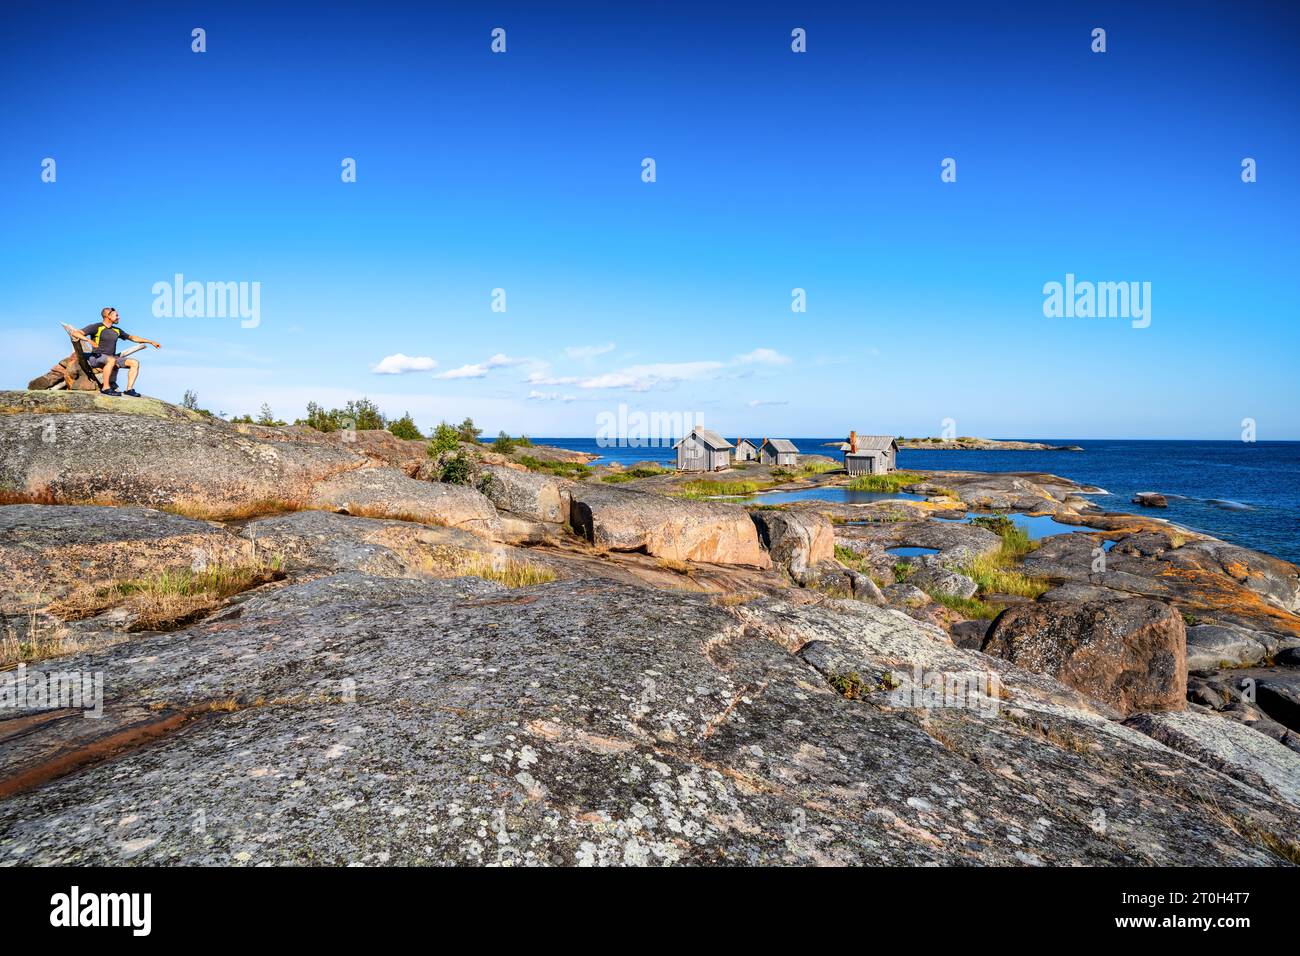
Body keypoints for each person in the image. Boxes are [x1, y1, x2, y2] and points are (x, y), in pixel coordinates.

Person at [69, 307, 161, 397]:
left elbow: (132, 338)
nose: (119, 317)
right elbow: (75, 333)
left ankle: (129, 390)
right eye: (116, 315)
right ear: (108, 316)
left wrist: (151, 342)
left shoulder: (116, 330)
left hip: (112, 358)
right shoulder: (96, 327)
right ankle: (105, 388)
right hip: (96, 357)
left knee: (134, 363)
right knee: (111, 360)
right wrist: (88, 340)